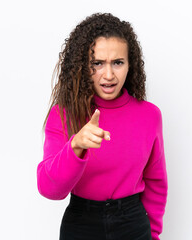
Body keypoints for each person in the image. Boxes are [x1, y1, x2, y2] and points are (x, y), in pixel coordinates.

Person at [37, 13, 168, 240]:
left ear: (130, 64)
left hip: (133, 224)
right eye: (97, 63)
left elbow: (157, 182)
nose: (108, 75)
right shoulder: (64, 113)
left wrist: (153, 234)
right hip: (81, 224)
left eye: (117, 62)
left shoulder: (149, 115)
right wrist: (76, 145)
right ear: (82, 66)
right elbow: (49, 189)